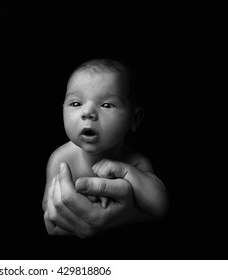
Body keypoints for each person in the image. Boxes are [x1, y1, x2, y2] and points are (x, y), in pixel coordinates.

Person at [42, 58, 168, 238]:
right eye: (76, 103)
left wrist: (126, 172)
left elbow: (159, 207)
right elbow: (50, 209)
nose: (88, 113)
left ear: (135, 119)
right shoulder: (61, 159)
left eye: (106, 105)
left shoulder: (135, 162)